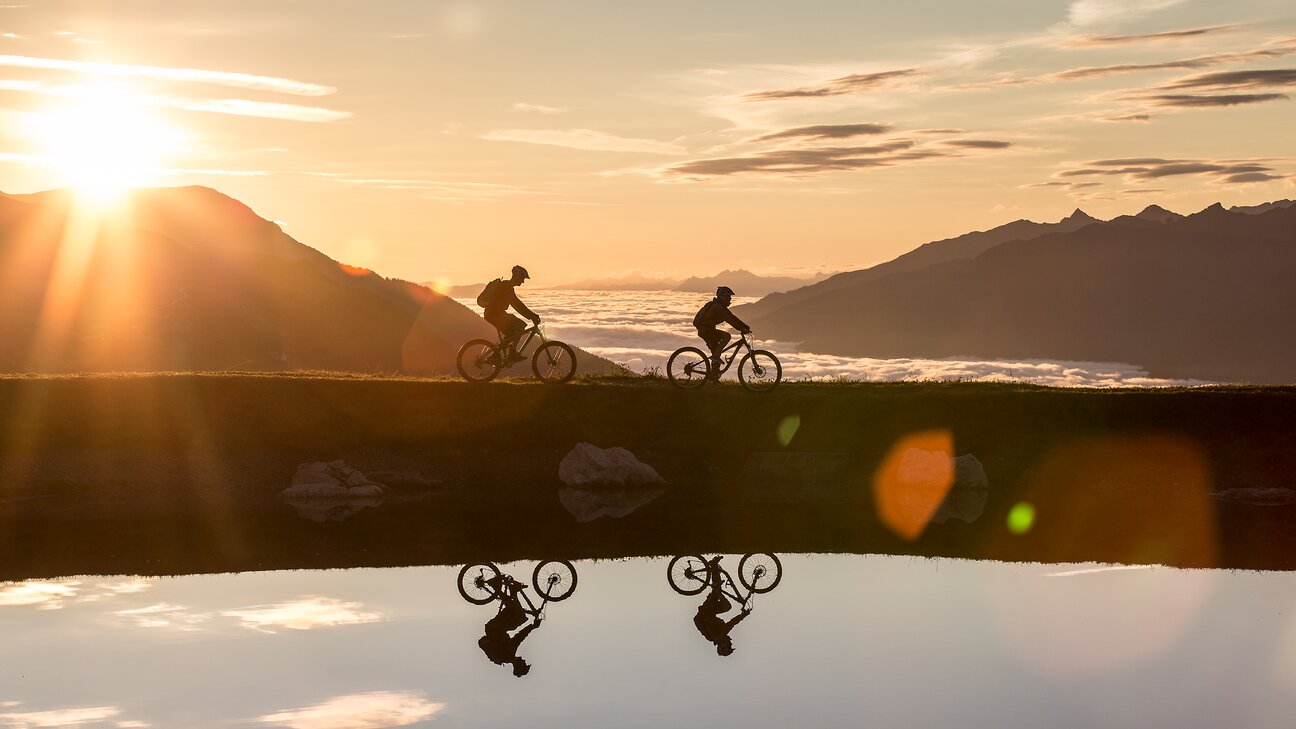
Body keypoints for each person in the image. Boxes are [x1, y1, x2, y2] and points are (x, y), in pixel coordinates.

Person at [477, 573, 541, 677]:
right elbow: (520, 637)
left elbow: (520, 637)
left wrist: (533, 626)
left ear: (518, 665)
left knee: (518, 615)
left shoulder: (506, 655)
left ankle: (502, 588)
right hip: (496, 628)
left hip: (495, 628)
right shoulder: (509, 654)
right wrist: (532, 627)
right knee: (517, 614)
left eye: (523, 663)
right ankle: (512, 590)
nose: (524, 660)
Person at [482, 265, 541, 364]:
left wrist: (531, 315)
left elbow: (517, 304)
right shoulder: (506, 287)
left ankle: (494, 356)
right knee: (521, 325)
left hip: (494, 314)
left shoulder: (507, 286)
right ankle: (512, 353)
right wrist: (532, 316)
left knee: (511, 335)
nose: (523, 281)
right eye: (522, 278)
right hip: (494, 315)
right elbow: (517, 305)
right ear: (516, 276)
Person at [692, 556, 750, 656]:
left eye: (728, 646)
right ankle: (714, 569)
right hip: (709, 612)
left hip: (707, 611)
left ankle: (714, 566)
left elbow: (731, 624)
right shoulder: (718, 636)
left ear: (722, 646)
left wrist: (742, 616)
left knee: (722, 599)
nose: (730, 643)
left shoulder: (718, 636)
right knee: (722, 599)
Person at [692, 286, 751, 377]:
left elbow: (732, 317)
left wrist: (744, 326)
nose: (730, 299)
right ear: (722, 297)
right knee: (726, 336)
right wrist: (741, 328)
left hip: (707, 330)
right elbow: (729, 319)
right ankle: (715, 358)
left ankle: (714, 375)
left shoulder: (719, 306)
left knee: (716, 351)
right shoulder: (717, 307)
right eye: (728, 297)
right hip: (706, 330)